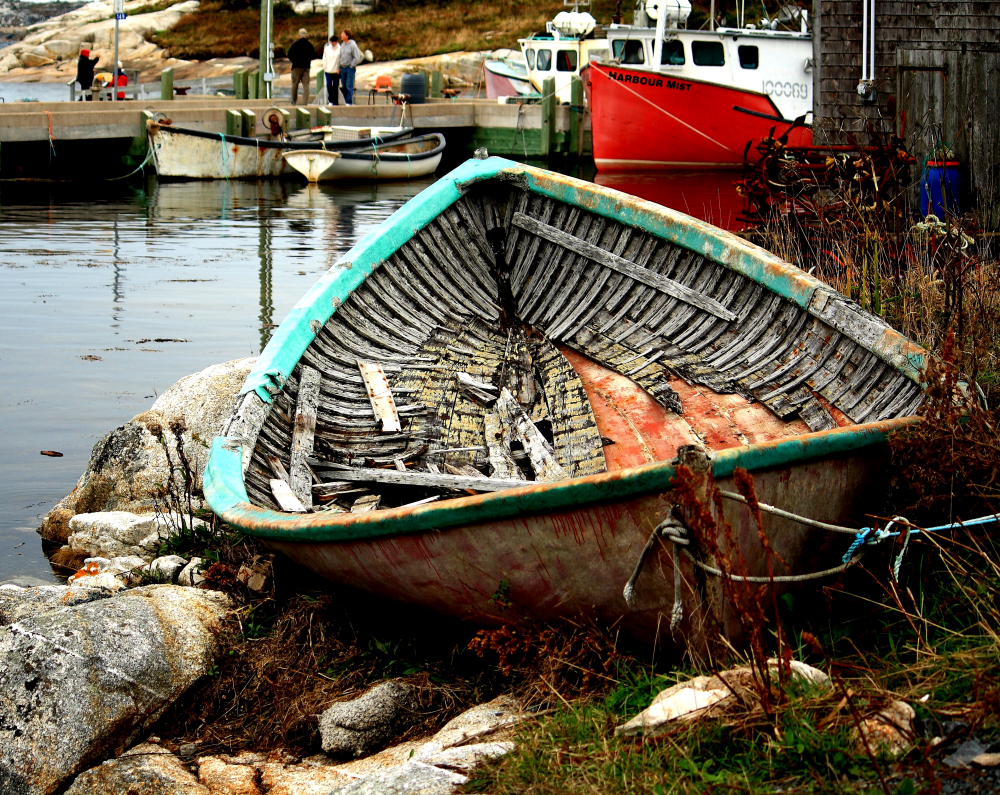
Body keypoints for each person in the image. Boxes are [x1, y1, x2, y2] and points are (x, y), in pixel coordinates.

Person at [288, 28, 316, 105]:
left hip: (296, 67)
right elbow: (313, 55)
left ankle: (294, 101)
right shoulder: (309, 45)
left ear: (299, 35)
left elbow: (289, 54)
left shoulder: (295, 44)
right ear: (306, 35)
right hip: (306, 67)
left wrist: (294, 61)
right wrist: (307, 61)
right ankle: (305, 102)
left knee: (295, 84)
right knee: (306, 85)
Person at [337, 29, 363, 105]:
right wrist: (339, 67)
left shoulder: (352, 45)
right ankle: (345, 101)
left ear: (347, 36)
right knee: (344, 85)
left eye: (343, 34)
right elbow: (340, 56)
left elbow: (357, 57)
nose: (341, 36)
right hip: (342, 68)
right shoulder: (342, 44)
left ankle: (349, 102)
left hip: (349, 68)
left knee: (349, 85)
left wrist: (352, 65)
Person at [321, 34, 341, 105]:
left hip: (336, 71)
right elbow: (324, 58)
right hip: (328, 71)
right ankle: (331, 100)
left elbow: (341, 60)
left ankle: (335, 101)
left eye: (334, 42)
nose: (333, 43)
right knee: (329, 85)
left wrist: (339, 68)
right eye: (331, 42)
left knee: (335, 86)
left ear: (336, 41)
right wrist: (324, 67)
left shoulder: (340, 48)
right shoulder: (327, 48)